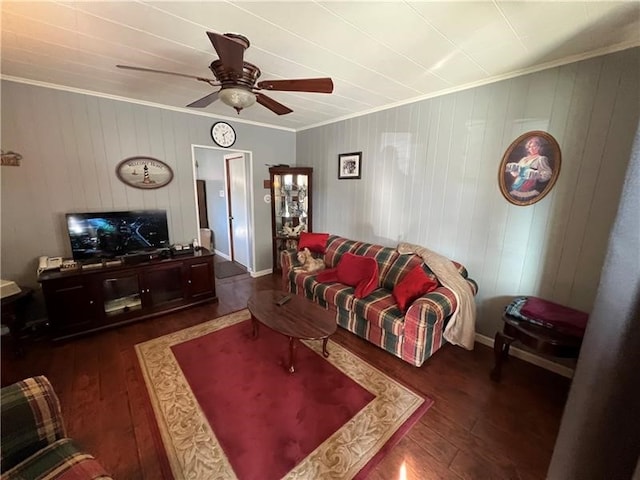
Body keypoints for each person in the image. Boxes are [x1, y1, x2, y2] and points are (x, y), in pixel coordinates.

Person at [505, 136, 553, 200]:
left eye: (534, 146)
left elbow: (548, 174)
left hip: (529, 190)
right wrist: (513, 169)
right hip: (516, 187)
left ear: (539, 147)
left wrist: (536, 175)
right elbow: (516, 174)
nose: (532, 148)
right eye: (530, 147)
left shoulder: (541, 159)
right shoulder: (524, 159)